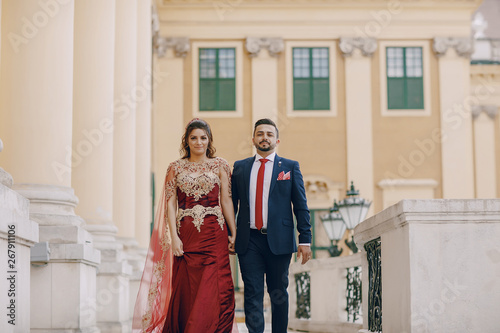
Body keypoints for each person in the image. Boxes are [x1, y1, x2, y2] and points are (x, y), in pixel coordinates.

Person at [132, 118, 237, 333]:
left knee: (214, 284)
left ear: (209, 140)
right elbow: (170, 205)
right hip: (187, 233)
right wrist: (174, 237)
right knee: (188, 287)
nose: (199, 142)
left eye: (203, 138)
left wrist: (234, 233)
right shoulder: (175, 168)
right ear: (186, 141)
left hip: (215, 232)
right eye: (194, 138)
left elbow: (226, 200)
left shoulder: (221, 165)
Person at [231, 118, 312, 333]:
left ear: (277, 139)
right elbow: (231, 206)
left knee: (278, 292)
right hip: (249, 241)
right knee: (252, 292)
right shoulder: (240, 168)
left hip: (280, 239)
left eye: (268, 134)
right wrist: (230, 235)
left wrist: (305, 239)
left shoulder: (289, 166)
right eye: (260, 133)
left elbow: (301, 205)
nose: (264, 137)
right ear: (253, 139)